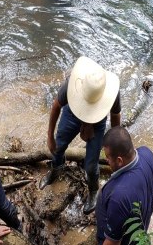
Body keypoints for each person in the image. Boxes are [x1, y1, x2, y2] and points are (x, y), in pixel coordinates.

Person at [39, 56, 121, 214]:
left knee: (91, 165)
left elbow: (115, 116)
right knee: (58, 146)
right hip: (71, 114)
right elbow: (56, 106)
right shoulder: (72, 83)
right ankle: (56, 169)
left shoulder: (112, 93)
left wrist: (113, 144)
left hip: (98, 121)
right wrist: (50, 136)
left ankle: (93, 191)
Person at [91, 127, 153, 245]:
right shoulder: (147, 154)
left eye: (108, 157)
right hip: (140, 229)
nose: (106, 161)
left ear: (119, 160)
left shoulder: (120, 196)